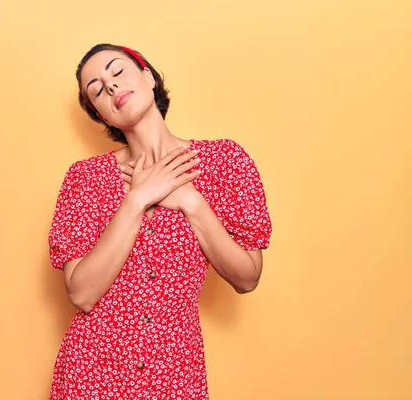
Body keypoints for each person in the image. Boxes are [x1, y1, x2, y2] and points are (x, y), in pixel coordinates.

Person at [47, 43, 272, 399]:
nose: (111, 87)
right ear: (102, 116)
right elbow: (82, 293)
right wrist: (137, 199)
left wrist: (189, 201)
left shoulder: (224, 162)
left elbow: (247, 277)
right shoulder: (85, 179)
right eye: (98, 90)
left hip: (175, 374)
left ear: (148, 77)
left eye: (117, 72)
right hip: (91, 374)